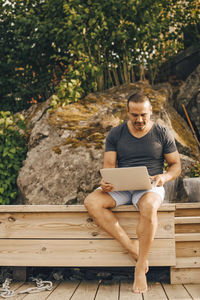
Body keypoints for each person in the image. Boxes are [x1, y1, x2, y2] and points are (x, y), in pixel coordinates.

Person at [84, 91, 181, 294]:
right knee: (91, 202)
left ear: (151, 111)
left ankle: (140, 267)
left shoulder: (162, 133)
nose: (139, 120)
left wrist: (164, 177)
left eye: (143, 115)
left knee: (149, 206)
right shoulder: (116, 134)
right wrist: (106, 182)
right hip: (122, 187)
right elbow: (109, 167)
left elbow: (175, 166)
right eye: (134, 115)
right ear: (127, 112)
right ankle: (132, 249)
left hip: (149, 186)